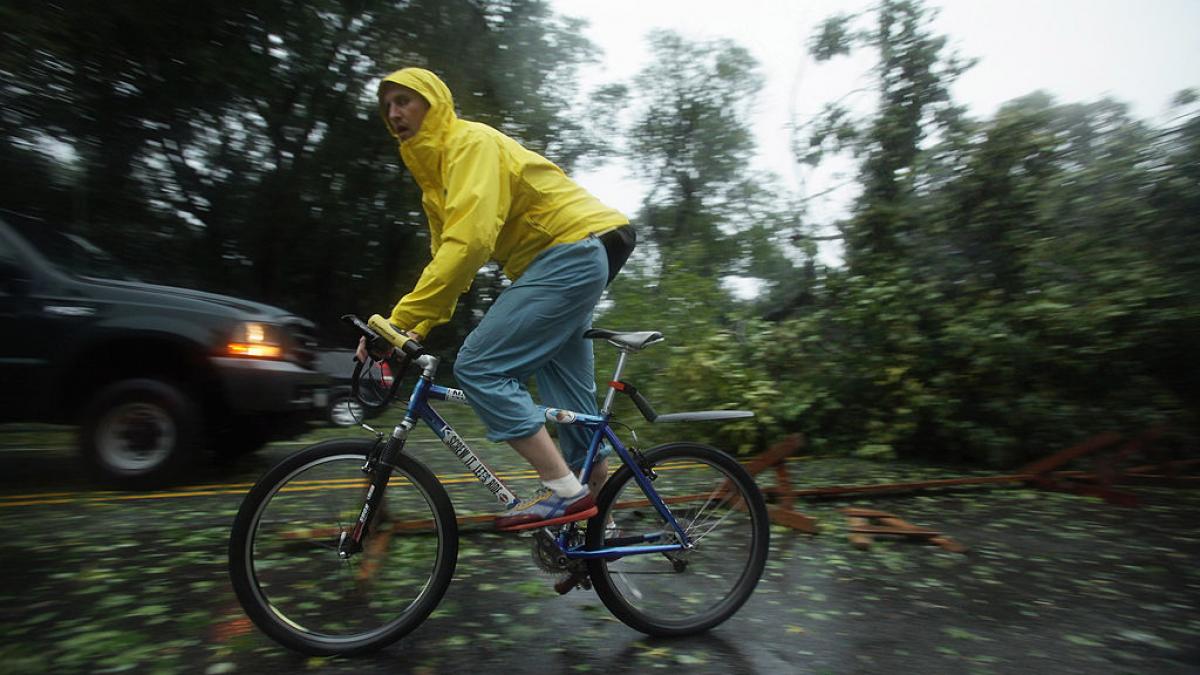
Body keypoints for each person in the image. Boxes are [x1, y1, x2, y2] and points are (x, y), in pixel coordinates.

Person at [363, 67, 636, 532]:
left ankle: (564, 493)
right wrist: (413, 328)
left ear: (434, 103)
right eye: (387, 105)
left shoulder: (470, 144)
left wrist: (396, 319)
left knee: (480, 366)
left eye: (405, 100)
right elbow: (446, 261)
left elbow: (469, 245)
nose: (394, 112)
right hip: (568, 258)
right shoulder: (436, 181)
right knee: (573, 411)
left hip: (570, 249)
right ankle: (597, 536)